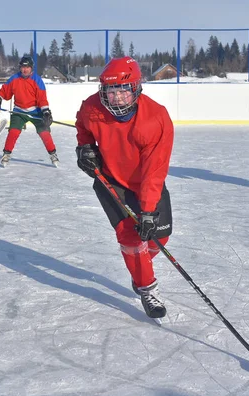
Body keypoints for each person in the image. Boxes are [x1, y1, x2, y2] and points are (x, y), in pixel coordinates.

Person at [75, 56, 175, 319]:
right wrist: (85, 148)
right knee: (131, 237)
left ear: (136, 89)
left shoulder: (155, 118)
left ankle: (139, 268)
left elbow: (155, 171)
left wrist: (149, 211)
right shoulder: (92, 108)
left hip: (146, 182)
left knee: (159, 236)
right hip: (110, 180)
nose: (116, 97)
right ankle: (147, 288)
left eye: (122, 90)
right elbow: (82, 126)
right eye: (110, 90)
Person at [0, 55, 58, 167]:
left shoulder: (37, 80)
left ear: (31, 68)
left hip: (36, 111)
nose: (25, 70)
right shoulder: (14, 79)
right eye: (23, 67)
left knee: (44, 132)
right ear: (20, 68)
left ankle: (53, 154)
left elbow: (42, 98)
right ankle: (6, 154)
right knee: (13, 132)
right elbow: (5, 91)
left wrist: (46, 112)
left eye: (27, 67)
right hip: (19, 111)